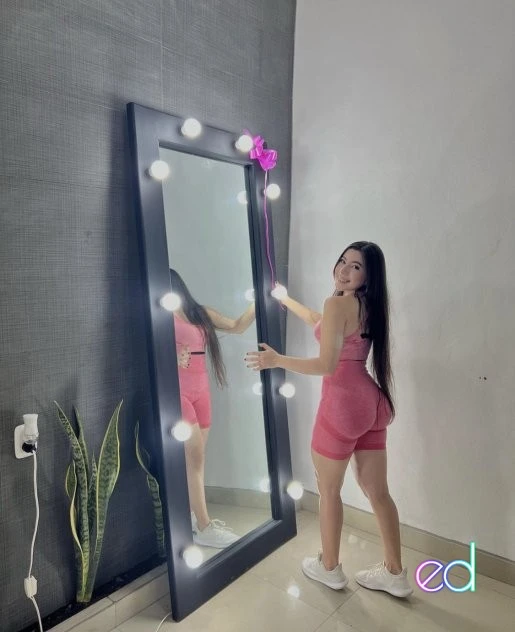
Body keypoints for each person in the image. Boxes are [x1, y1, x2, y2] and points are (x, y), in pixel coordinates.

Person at [245, 242, 413, 597]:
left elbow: (326, 364)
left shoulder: (337, 304)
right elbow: (320, 322)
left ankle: (330, 568)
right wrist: (286, 300)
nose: (344, 270)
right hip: (371, 402)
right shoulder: (369, 304)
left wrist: (277, 360)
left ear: (368, 276)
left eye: (356, 266)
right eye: (342, 261)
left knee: (329, 491)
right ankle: (395, 574)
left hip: (342, 406)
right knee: (379, 493)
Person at [170, 268, 256, 549]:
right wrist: (171, 356)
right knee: (194, 458)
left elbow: (237, 326)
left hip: (201, 390)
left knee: (196, 460)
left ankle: (191, 519)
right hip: (177, 391)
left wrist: (260, 300)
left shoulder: (199, 313)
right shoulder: (159, 315)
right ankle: (205, 527)